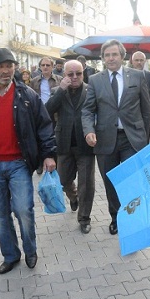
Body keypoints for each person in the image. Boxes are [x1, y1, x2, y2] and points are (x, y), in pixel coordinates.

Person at [0, 48, 56, 274]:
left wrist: (49, 154)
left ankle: (30, 251)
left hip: (19, 164)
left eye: (9, 66)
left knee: (24, 210)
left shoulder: (27, 95)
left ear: (15, 67)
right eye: (1, 66)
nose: (6, 70)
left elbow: (44, 126)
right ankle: (10, 255)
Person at [82, 39, 150, 235]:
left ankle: (133, 218)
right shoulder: (95, 80)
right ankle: (116, 217)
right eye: (107, 55)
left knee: (130, 180)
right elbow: (87, 110)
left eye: (114, 54)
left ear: (122, 56)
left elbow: (146, 110)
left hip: (131, 139)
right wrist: (89, 130)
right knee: (111, 181)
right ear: (103, 58)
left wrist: (144, 140)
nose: (111, 58)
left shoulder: (137, 77)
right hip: (105, 139)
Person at [46, 60, 95, 234]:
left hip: (86, 145)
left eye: (78, 73)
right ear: (64, 75)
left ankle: (84, 218)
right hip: (64, 143)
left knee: (86, 185)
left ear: (83, 73)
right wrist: (61, 90)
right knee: (63, 180)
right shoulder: (56, 91)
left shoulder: (91, 90)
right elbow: (48, 110)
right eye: (70, 74)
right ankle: (73, 197)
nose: (74, 77)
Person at [30, 57, 63, 174]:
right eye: (43, 65)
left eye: (48, 65)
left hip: (55, 115)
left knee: (54, 139)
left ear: (52, 67)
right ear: (39, 67)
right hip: (39, 115)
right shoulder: (34, 81)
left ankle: (56, 162)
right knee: (39, 138)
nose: (45, 67)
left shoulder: (59, 80)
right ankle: (40, 163)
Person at [131, 51, 150, 126]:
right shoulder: (125, 77)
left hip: (147, 115)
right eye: (136, 60)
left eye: (141, 60)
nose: (139, 62)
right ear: (132, 62)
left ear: (145, 61)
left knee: (146, 136)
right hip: (131, 115)